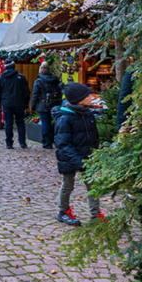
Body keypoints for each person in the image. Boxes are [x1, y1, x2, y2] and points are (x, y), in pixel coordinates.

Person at [53, 82, 103, 226]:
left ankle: (96, 214)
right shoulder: (65, 118)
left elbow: (94, 136)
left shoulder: (88, 114)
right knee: (68, 184)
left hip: (87, 156)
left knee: (92, 185)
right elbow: (63, 144)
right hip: (70, 158)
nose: (91, 97)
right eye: (87, 95)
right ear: (78, 99)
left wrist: (95, 154)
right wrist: (78, 161)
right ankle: (63, 211)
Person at [0, 60, 31, 149]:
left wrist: (1, 101)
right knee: (20, 123)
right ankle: (22, 142)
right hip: (19, 103)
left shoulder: (1, 78)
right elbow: (26, 92)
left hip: (7, 104)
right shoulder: (21, 77)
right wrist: (25, 103)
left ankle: (9, 143)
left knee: (8, 124)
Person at [30, 62, 63, 149]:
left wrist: (32, 106)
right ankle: (56, 140)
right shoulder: (55, 80)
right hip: (55, 104)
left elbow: (35, 95)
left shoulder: (38, 81)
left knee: (45, 123)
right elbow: (59, 92)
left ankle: (47, 143)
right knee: (56, 123)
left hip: (43, 105)